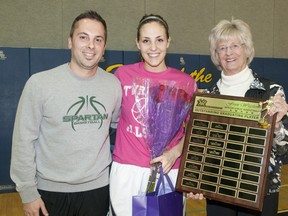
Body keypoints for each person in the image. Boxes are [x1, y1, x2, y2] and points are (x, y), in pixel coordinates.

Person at [10, 10, 122, 216]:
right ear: (70, 41)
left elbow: (116, 128)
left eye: (98, 39)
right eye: (83, 37)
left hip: (97, 190)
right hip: (49, 192)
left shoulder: (113, 85)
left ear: (104, 46)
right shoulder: (40, 83)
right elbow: (23, 141)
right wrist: (28, 192)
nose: (91, 45)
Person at [188, 18, 288, 216]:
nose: (228, 52)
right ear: (216, 54)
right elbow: (200, 148)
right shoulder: (208, 97)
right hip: (218, 192)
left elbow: (284, 151)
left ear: (247, 49)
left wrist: (276, 127)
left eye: (234, 45)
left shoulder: (271, 92)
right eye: (222, 47)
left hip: (261, 192)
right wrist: (195, 179)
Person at [109, 14, 198, 216]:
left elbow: (195, 131)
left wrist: (174, 153)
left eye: (159, 40)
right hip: (127, 169)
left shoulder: (186, 82)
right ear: (137, 44)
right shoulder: (122, 75)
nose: (153, 48)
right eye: (146, 41)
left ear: (168, 41)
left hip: (168, 170)